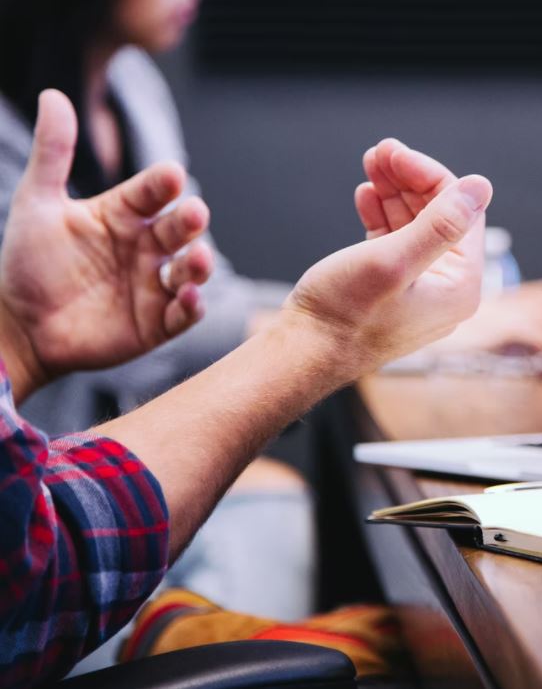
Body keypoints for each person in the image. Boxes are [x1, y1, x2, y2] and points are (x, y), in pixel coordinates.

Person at [0, 89, 493, 687]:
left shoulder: (134, 84)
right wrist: (324, 336)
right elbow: (33, 565)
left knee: (278, 503)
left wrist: (20, 339)